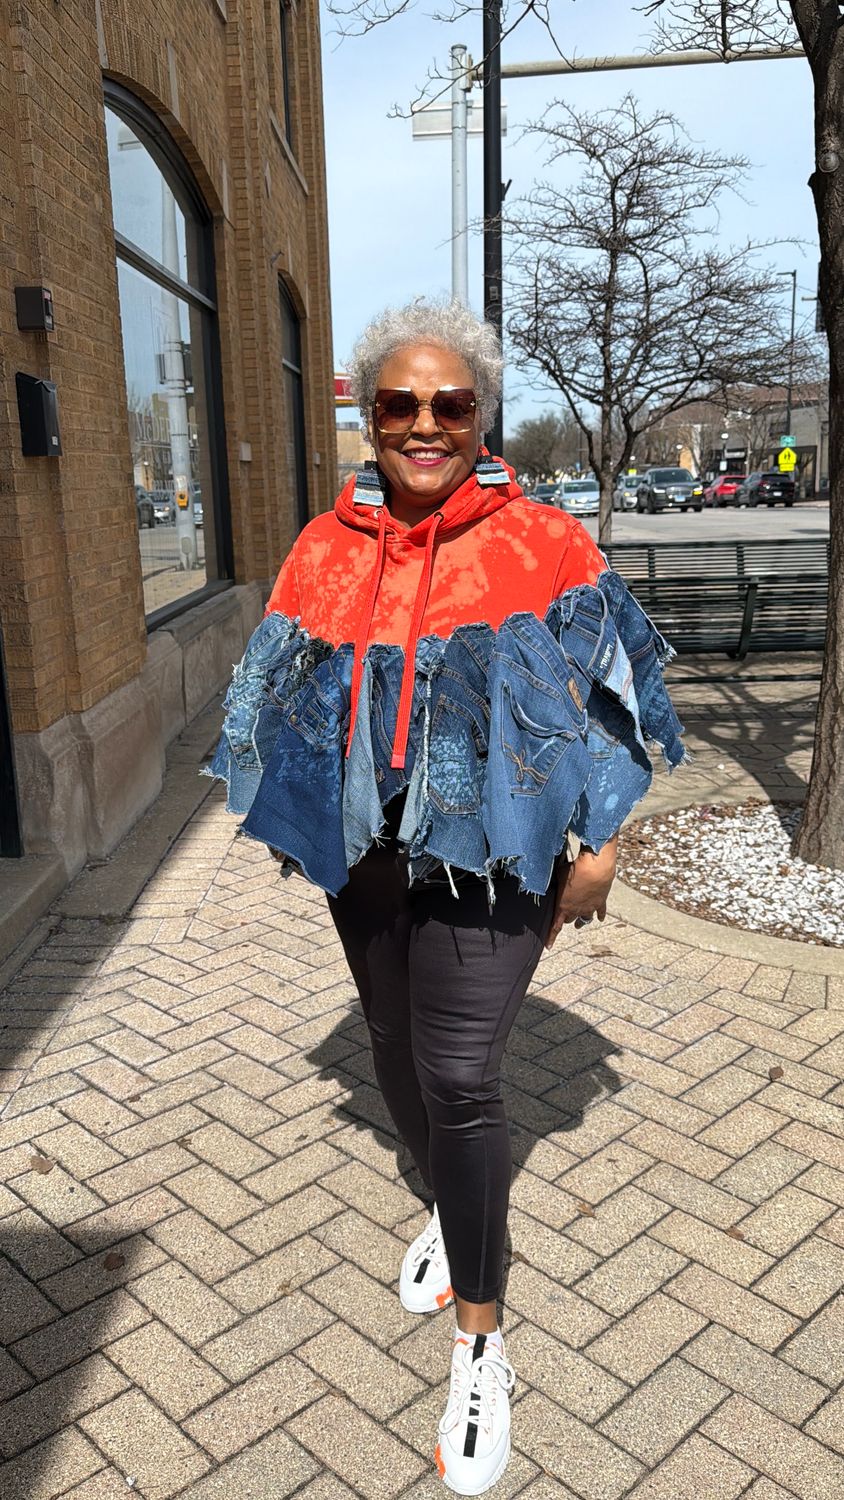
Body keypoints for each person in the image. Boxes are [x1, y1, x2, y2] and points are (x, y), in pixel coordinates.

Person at [210, 300, 683, 1496]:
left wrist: (603, 841)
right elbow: (277, 689)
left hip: (499, 855)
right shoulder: (326, 544)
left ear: (481, 417)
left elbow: (615, 699)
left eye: (449, 403)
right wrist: (293, 810)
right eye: (398, 405)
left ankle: (480, 1340)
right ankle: (445, 1205)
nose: (424, 424)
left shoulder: (545, 544)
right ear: (367, 418)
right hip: (368, 857)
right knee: (390, 1049)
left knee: (462, 1075)